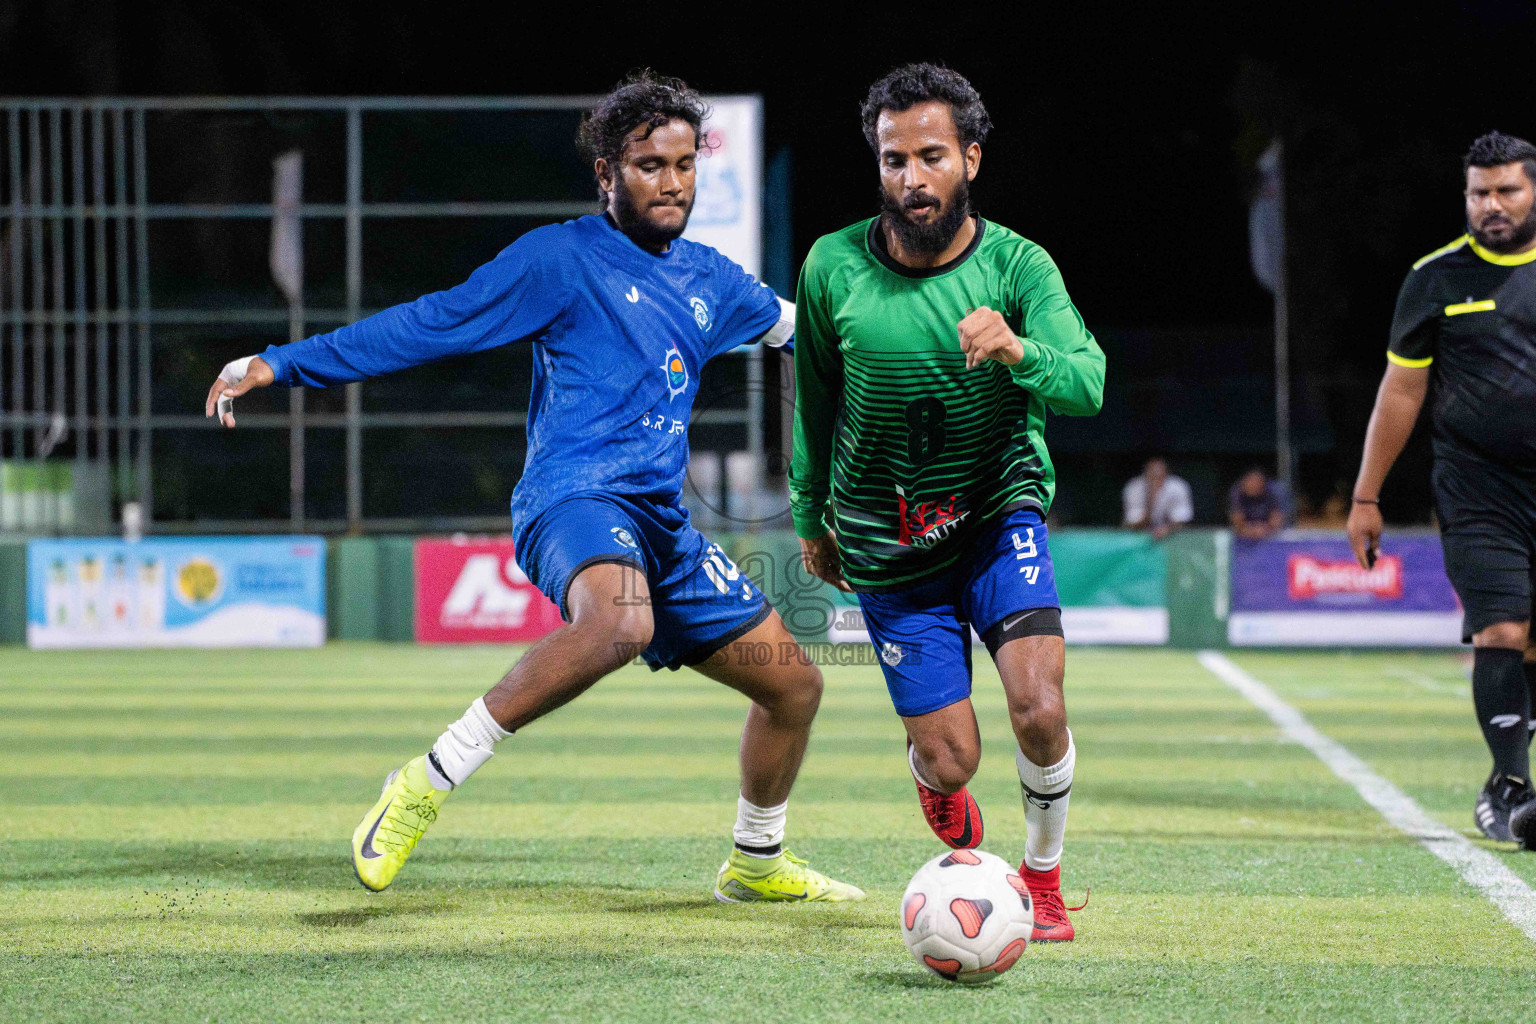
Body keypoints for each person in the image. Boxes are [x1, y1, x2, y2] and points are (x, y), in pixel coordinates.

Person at [204, 72, 863, 903]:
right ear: (606, 176)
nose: (671, 182)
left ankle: (756, 861)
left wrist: (934, 354)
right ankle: (425, 781)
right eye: (649, 164)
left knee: (794, 684)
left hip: (664, 524)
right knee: (621, 621)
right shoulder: (560, 259)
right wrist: (282, 362)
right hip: (575, 498)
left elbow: (814, 338)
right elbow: (432, 321)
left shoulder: (712, 280)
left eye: (686, 164)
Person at [791, 64, 1104, 941]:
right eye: (893, 160)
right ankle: (933, 778)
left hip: (1000, 515)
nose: (911, 179)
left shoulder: (1017, 265)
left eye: (931, 157)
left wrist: (1017, 350)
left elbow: (1088, 381)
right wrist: (809, 513)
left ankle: (1040, 879)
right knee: (953, 756)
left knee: (1040, 706)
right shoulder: (831, 265)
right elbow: (813, 397)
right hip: (886, 545)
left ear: (970, 157)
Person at [1347, 130, 1536, 848]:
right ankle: (1509, 785)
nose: (1491, 205)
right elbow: (1401, 392)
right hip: (1476, 486)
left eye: (1507, 190)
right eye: (1479, 193)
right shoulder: (1435, 277)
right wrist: (1367, 497)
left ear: (1532, 191)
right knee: (1503, 627)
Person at [1122, 457, 1193, 539]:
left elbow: (1183, 519)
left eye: (1160, 476)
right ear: (1145, 474)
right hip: (1138, 535)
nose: (1156, 480)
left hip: (1172, 535)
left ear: (1166, 474)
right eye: (1152, 476)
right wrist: (1151, 499)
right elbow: (1132, 524)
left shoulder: (1178, 486)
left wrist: (1167, 528)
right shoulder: (1134, 487)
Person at [1228, 467, 1286, 541]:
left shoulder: (1274, 491)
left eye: (1256, 483)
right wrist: (1250, 531)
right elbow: (1237, 522)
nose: (1252, 486)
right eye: (1250, 483)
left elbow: (1277, 521)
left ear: (1262, 484)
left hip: (1270, 535)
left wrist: (1265, 529)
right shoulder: (1237, 492)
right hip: (1246, 534)